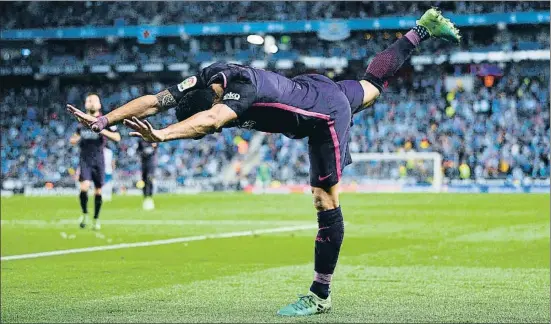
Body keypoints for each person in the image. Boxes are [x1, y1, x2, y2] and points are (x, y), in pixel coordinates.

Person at [68, 9, 459, 315]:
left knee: (325, 199)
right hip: (317, 85)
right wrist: (105, 119)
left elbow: (207, 121)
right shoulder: (207, 76)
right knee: (372, 86)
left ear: (215, 101)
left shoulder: (237, 94)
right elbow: (157, 100)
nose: (220, 127)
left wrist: (164, 135)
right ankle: (420, 31)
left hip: (323, 116)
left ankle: (320, 295)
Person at [69, 93, 121, 230]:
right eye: (88, 101)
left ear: (99, 104)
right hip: (85, 158)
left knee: (98, 191)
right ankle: (85, 214)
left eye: (94, 101)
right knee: (84, 187)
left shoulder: (105, 120)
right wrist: (75, 139)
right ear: (85, 104)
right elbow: (73, 139)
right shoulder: (81, 122)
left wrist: (101, 130)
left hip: (99, 158)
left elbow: (117, 137)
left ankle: (96, 219)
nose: (91, 103)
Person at [137, 139, 158, 210]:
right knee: (144, 180)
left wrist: (154, 146)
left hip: (151, 163)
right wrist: (142, 153)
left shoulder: (153, 138)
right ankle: (145, 196)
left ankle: (150, 195)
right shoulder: (140, 140)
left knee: (150, 179)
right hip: (144, 163)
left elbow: (156, 148)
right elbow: (138, 150)